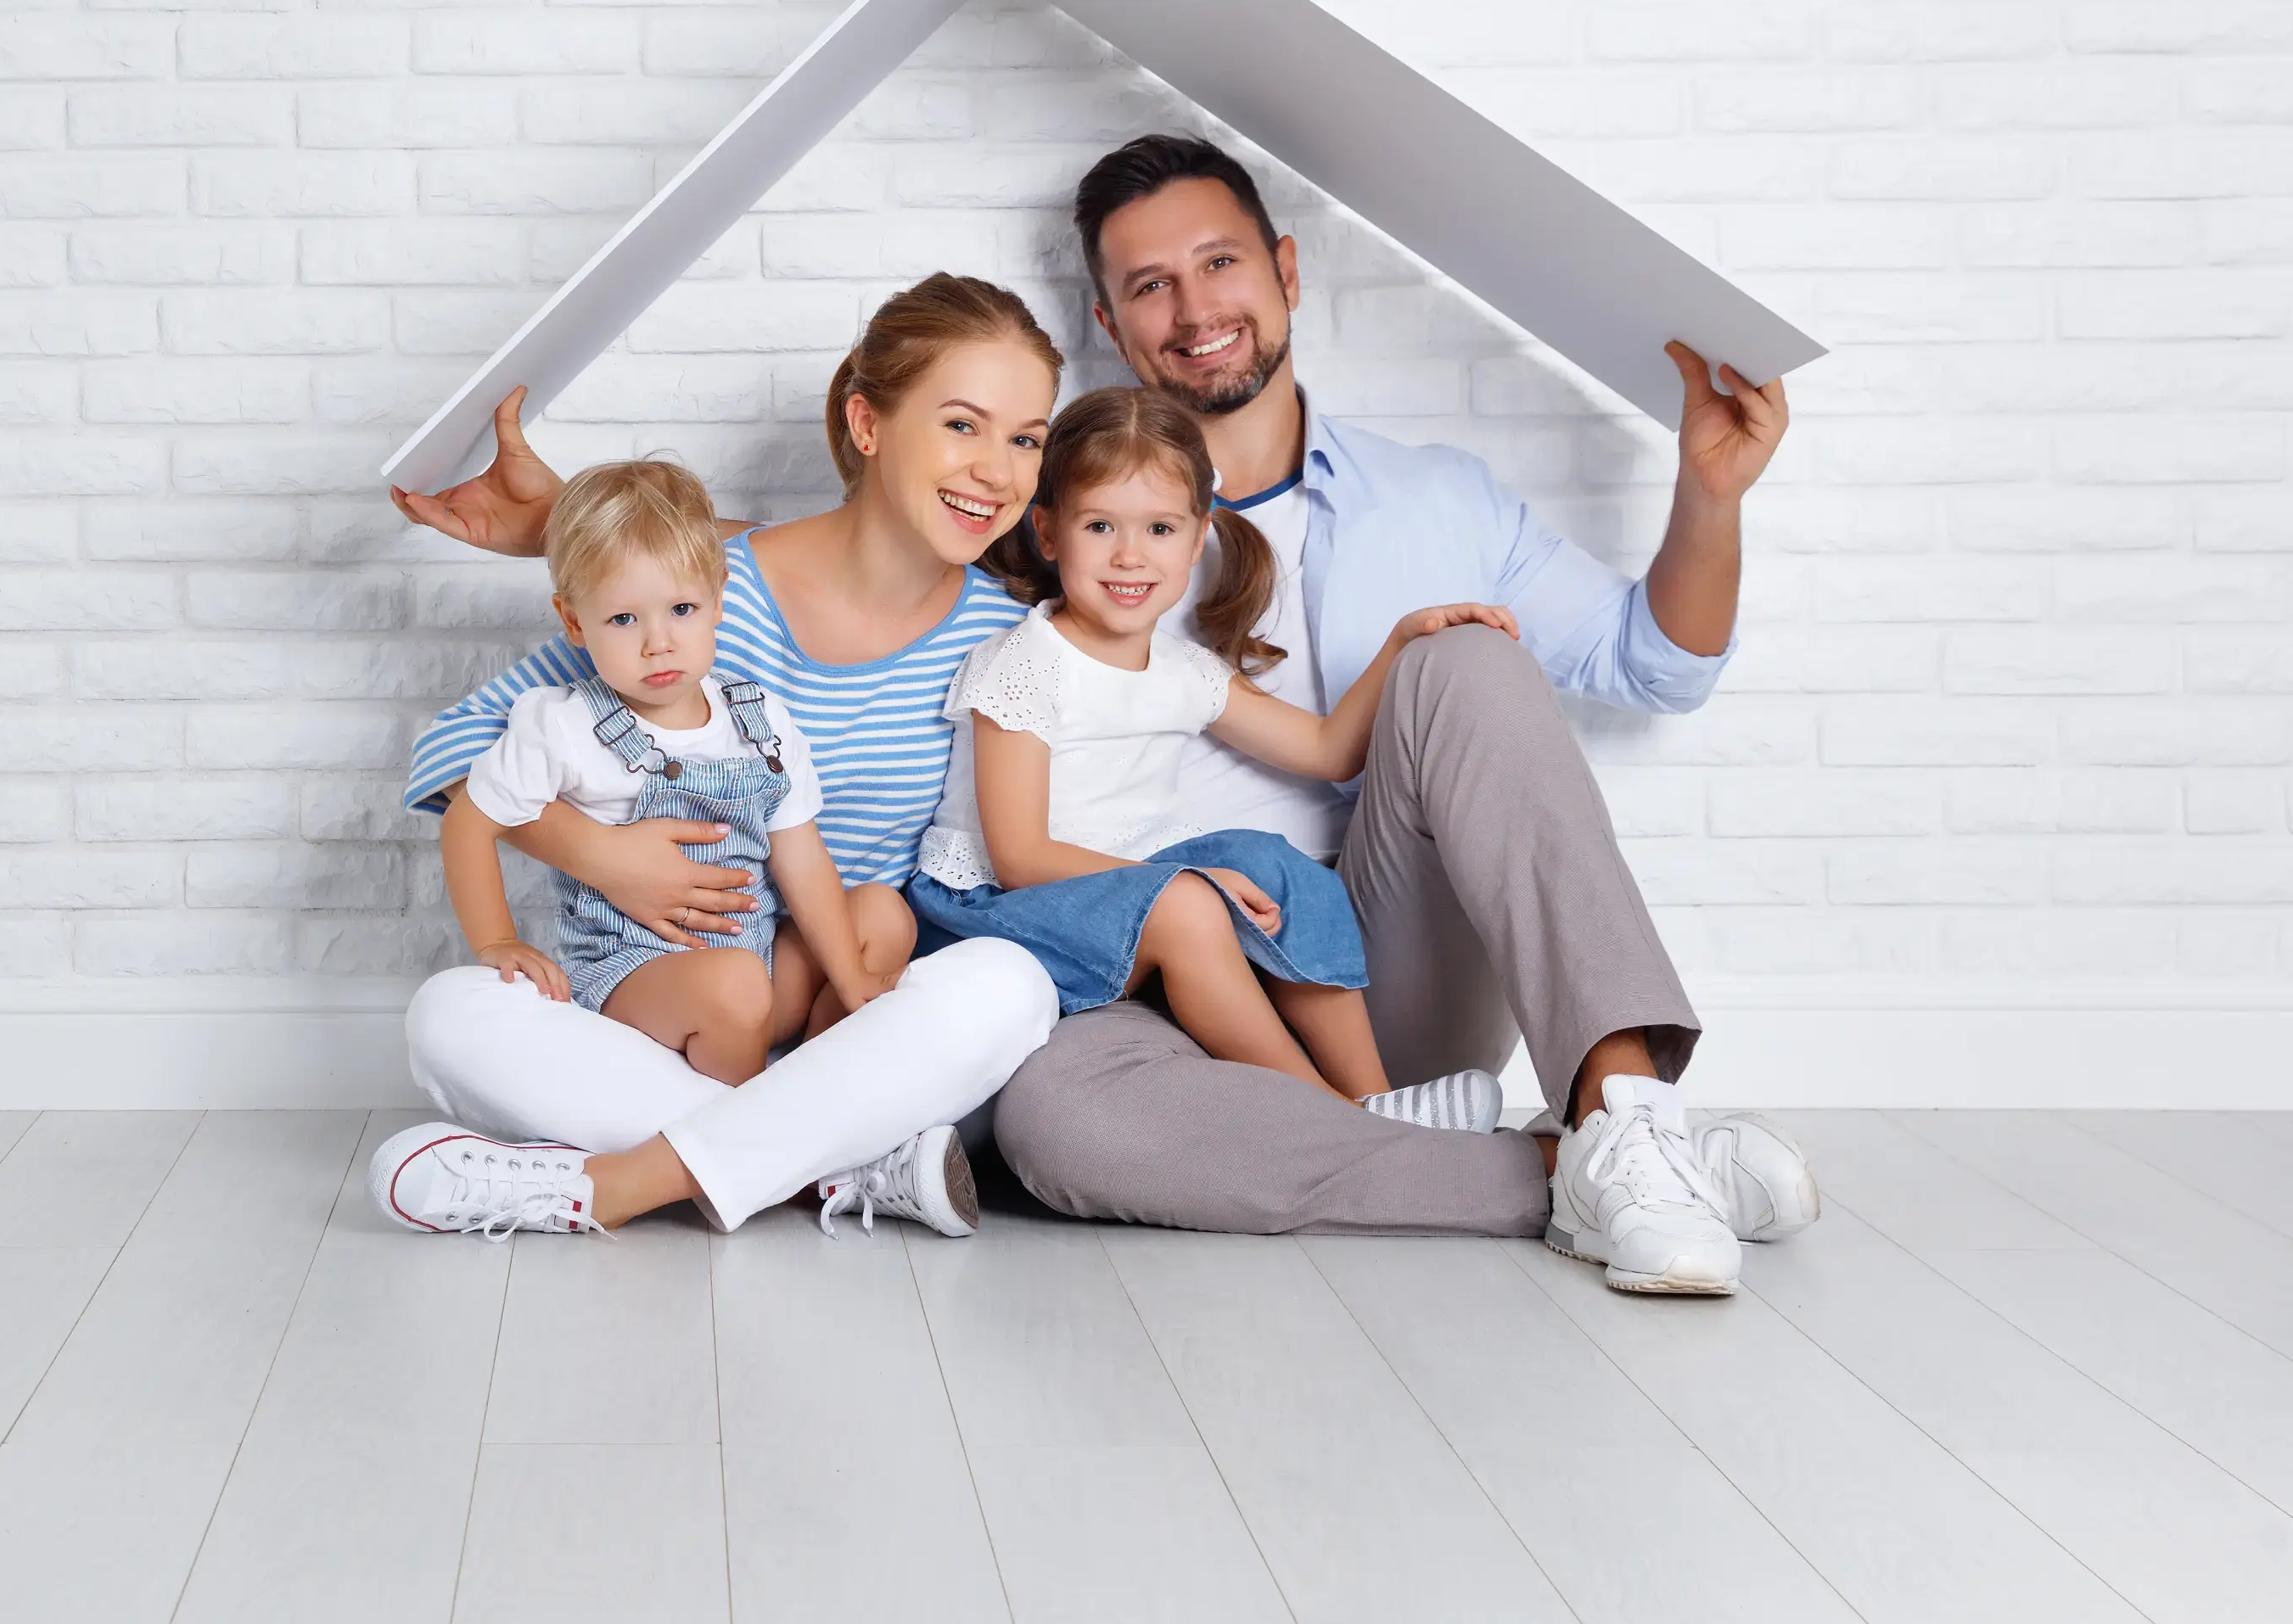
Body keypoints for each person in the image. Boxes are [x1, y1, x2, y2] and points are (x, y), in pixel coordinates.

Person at [984, 132, 1819, 1293]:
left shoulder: (1440, 500)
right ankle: (1596, 1170)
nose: (1194, 307)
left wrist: (1711, 494)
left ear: (1285, 271)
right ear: (1110, 322)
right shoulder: (1063, 528)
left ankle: (1623, 1102)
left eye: (1220, 262)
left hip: (1375, 973)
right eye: (1150, 285)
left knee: (1460, 658)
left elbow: (1656, 663)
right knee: (1053, 1121)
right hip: (1156, 988)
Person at [372, 275, 1064, 1243]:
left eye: (1026, 438)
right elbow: (454, 748)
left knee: (1008, 984)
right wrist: (602, 855)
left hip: (840, 1017)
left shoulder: (1006, 644)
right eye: (962, 424)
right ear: (867, 423)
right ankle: (826, 1161)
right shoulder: (704, 592)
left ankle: (612, 1183)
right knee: (450, 1013)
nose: (996, 468)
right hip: (670, 1004)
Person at [908, 386, 1513, 1132]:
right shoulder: (1026, 663)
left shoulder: (1182, 668)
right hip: (993, 909)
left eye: (1160, 527)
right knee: (1191, 902)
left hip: (1122, 887)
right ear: (1049, 532)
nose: (1130, 555)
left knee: (1275, 865)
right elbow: (1020, 855)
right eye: (1100, 525)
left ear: (1197, 541)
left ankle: (1376, 1095)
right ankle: (1343, 1122)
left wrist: (1399, 644)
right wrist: (1184, 881)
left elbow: (1326, 752)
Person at [428, 456, 906, 1081]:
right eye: (624, 618)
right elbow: (467, 821)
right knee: (734, 983)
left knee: (879, 913)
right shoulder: (563, 726)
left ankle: (811, 1101)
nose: (658, 641)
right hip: (639, 983)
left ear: (718, 600)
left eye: (681, 608)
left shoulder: (760, 718)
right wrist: (498, 940)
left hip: (753, 963)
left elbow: (802, 858)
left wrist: (850, 979)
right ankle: (736, 1156)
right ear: (574, 620)